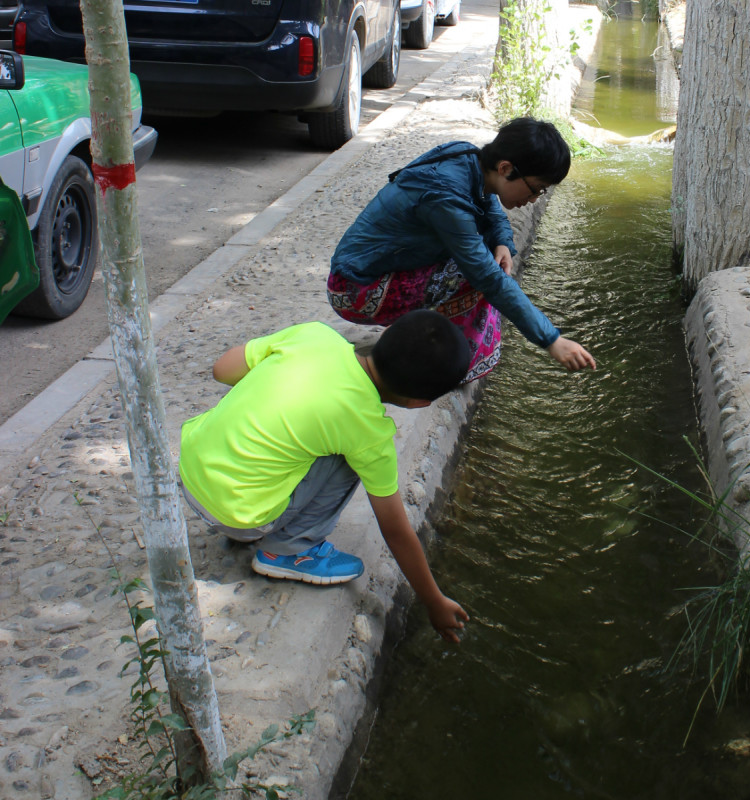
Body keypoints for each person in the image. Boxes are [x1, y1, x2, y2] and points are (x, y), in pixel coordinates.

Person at [179, 310, 471, 642]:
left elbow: (222, 369)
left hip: (190, 470)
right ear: (420, 403)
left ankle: (248, 486)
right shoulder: (369, 430)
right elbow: (395, 529)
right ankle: (289, 550)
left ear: (388, 330)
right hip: (238, 517)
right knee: (350, 457)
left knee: (275, 392)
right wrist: (434, 600)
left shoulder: (314, 335)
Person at [327, 117, 596, 381]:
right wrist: (552, 340)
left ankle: (426, 341)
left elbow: (489, 202)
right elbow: (488, 278)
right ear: (505, 168)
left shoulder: (469, 158)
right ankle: (448, 366)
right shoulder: (446, 196)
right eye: (536, 189)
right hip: (354, 290)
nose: (534, 199)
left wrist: (502, 240)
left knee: (484, 258)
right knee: (477, 272)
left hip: (379, 271)